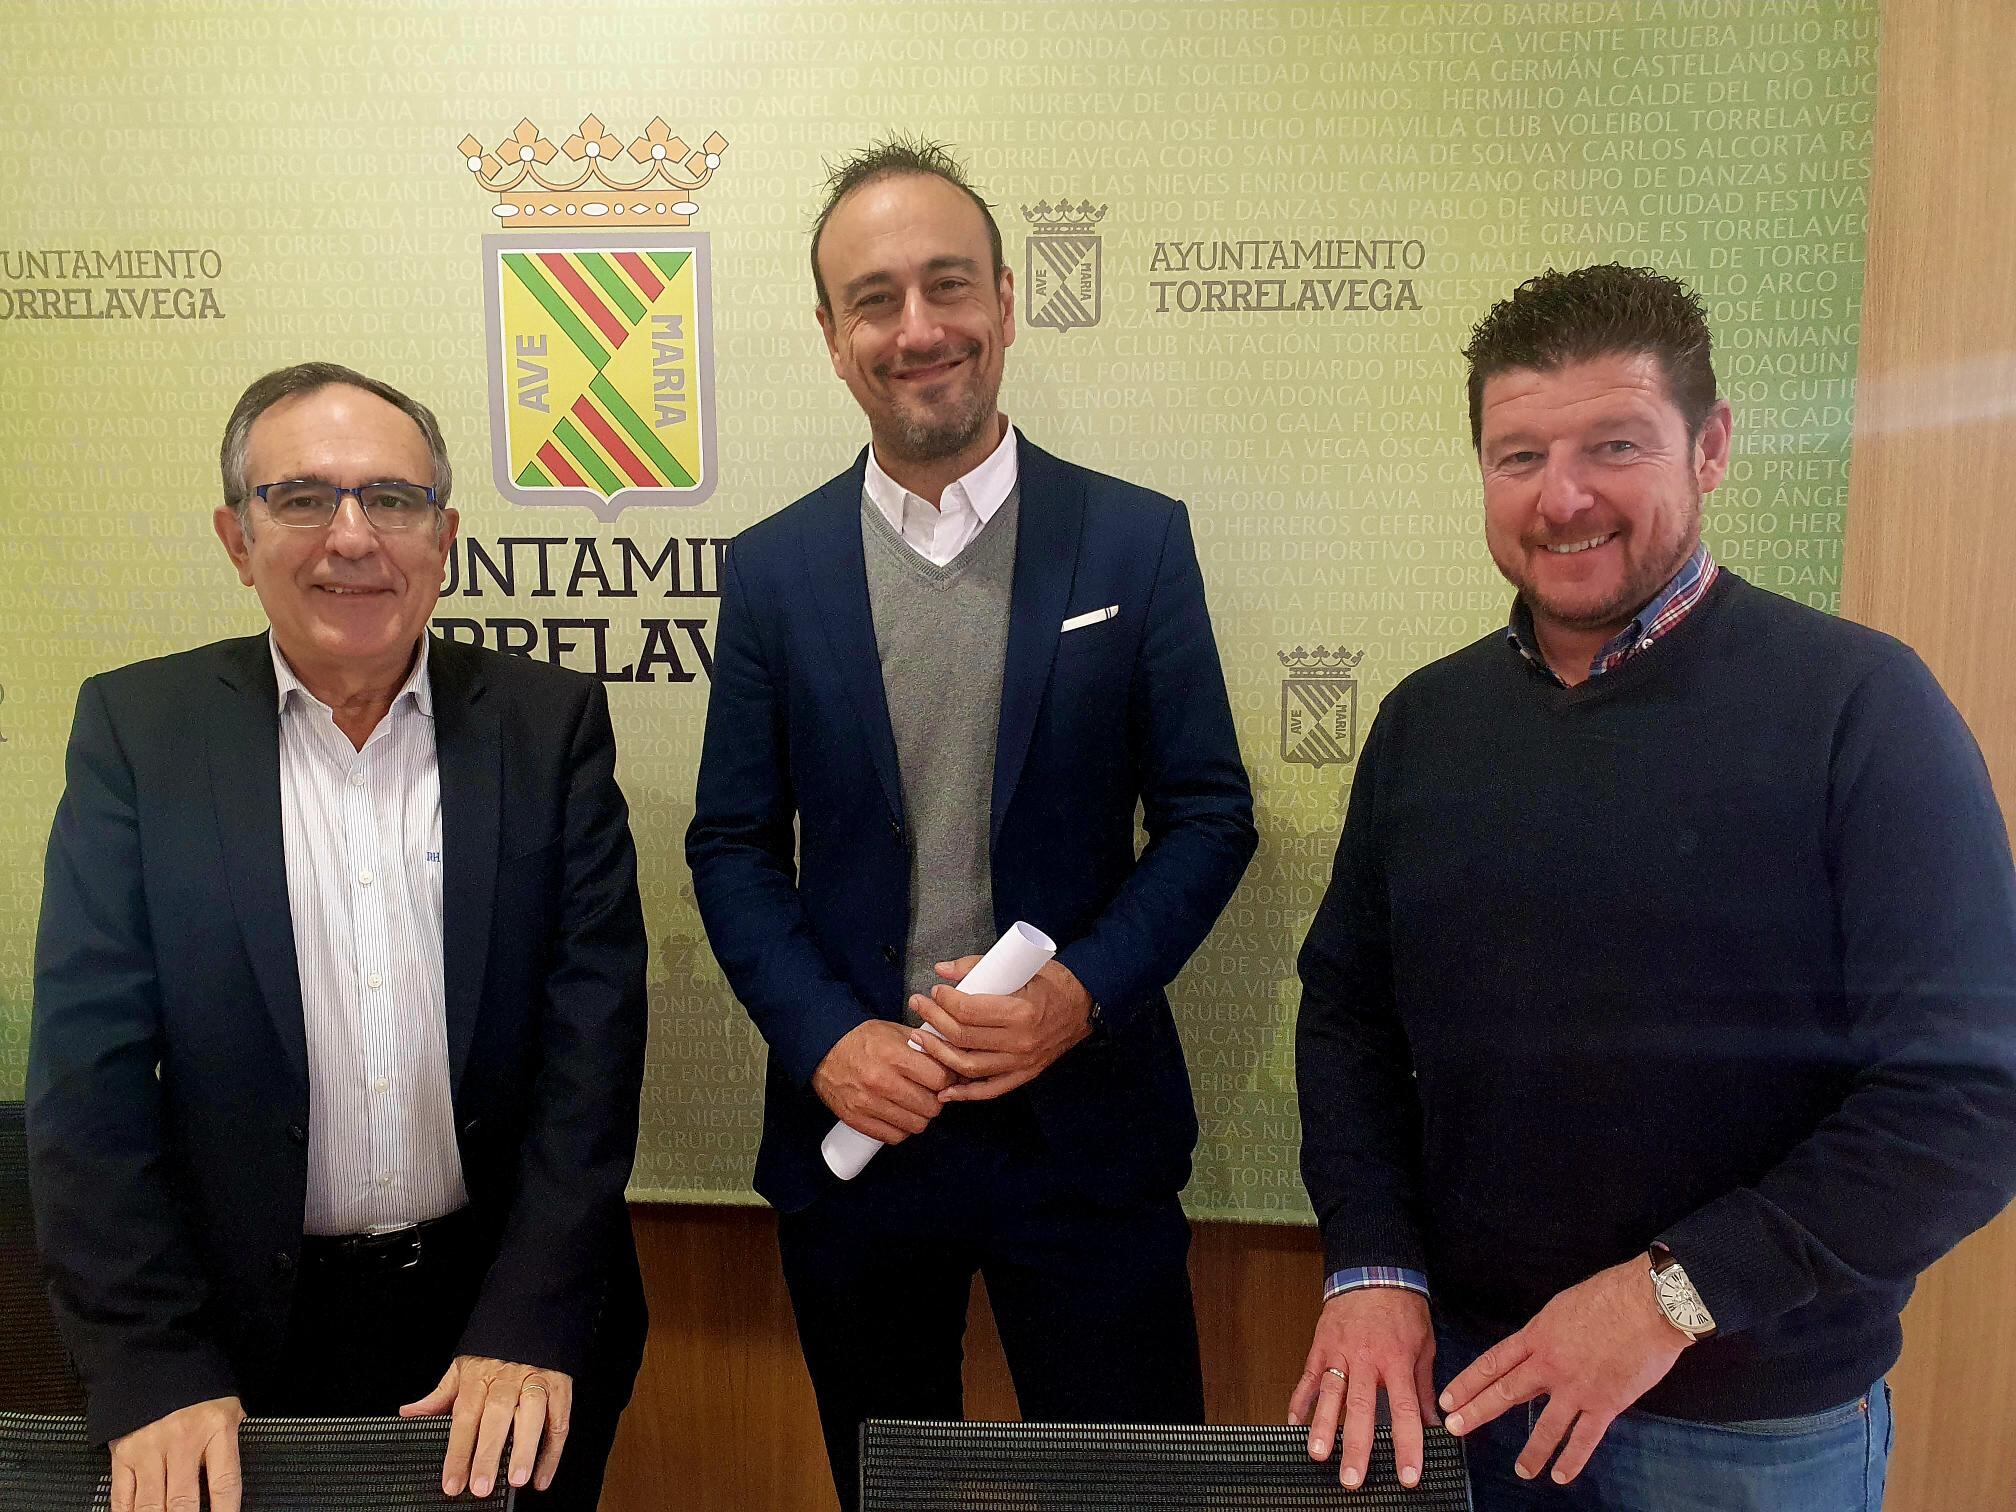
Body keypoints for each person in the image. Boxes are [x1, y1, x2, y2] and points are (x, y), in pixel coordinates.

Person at [1288, 264, 2016, 1510]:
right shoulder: (1425, 722)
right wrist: (1370, 1267)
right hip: (1468, 1395)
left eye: (1614, 444)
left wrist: (1670, 1294)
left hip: (1744, 1433)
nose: (1563, 496)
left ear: (1712, 446)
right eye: (1518, 456)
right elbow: (1349, 1016)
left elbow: (1971, 1100)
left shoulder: (1861, 708)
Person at [687, 137, 1257, 1509]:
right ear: (830, 337)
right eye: (873, 299)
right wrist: (827, 1040)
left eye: (948, 286)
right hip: (865, 1135)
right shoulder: (773, 570)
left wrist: (1079, 995)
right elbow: (733, 845)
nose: (918, 327)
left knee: (1132, 1491)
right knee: (894, 1490)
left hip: (1086, 1129)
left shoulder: (1135, 542)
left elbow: (1206, 815)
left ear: (1007, 299)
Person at [29, 363, 650, 1511]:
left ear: (446, 533)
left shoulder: (546, 726)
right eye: (302, 498)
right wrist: (152, 1358)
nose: (352, 537)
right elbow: (87, 1077)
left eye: (392, 499)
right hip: (233, 1348)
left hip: (507, 1325)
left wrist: (531, 1316)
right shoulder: (139, 734)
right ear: (236, 535)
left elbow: (594, 1053)